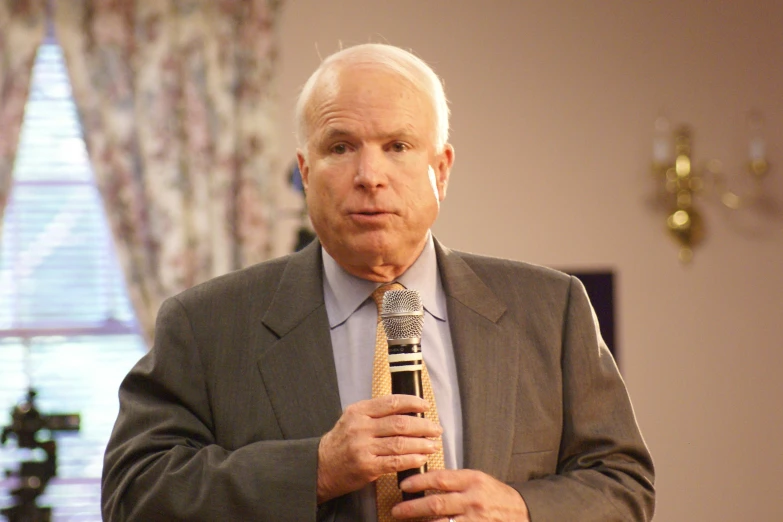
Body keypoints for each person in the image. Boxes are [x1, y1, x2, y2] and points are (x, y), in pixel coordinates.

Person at [101, 43, 655, 521]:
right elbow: (134, 495)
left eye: (398, 146)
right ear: (305, 170)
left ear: (441, 170)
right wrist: (314, 470)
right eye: (341, 147)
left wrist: (522, 508)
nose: (370, 176)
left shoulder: (550, 309)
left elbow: (624, 482)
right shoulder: (207, 324)